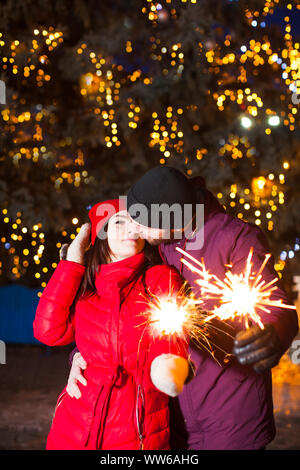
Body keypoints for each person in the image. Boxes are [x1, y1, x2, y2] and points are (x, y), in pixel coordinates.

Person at [68, 166, 298, 450]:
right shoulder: (157, 245)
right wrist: (83, 354)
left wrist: (273, 332)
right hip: (171, 418)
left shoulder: (235, 237)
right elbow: (117, 302)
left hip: (231, 418)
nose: (135, 228)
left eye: (143, 222)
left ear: (172, 216)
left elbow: (273, 301)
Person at [33, 198, 189, 450]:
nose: (131, 228)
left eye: (136, 222)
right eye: (119, 221)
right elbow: (48, 332)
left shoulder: (159, 278)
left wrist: (167, 365)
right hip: (73, 428)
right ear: (100, 235)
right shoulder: (87, 290)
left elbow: (171, 331)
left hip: (135, 431)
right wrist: (71, 263)